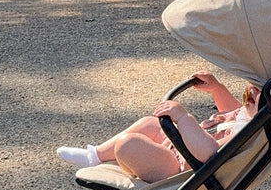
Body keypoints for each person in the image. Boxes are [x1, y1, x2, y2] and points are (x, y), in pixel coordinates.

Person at [57, 72, 260, 183]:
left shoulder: (247, 133)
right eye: (253, 86)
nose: (250, 91)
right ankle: (96, 156)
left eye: (257, 93)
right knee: (150, 123)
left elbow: (209, 153)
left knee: (128, 145)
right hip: (178, 150)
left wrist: (182, 117)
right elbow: (230, 111)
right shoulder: (248, 117)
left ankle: (131, 159)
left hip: (179, 169)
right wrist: (217, 88)